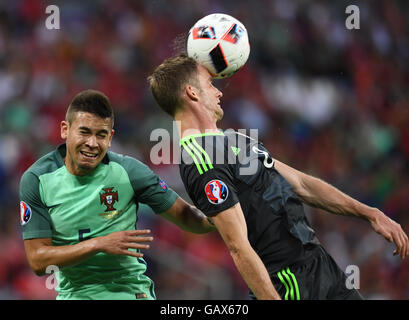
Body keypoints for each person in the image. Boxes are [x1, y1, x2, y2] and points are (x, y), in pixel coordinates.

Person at [147, 53, 409, 300]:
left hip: (321, 265)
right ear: (192, 92)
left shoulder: (233, 139)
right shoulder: (199, 159)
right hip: (288, 281)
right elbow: (238, 246)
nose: (219, 92)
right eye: (210, 84)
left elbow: (301, 184)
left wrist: (370, 213)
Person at [19, 89, 215, 300]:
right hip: (73, 295)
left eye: (101, 135)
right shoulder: (38, 179)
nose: (92, 143)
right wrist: (99, 244)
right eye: (84, 132)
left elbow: (190, 219)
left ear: (110, 137)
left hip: (128, 292)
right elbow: (38, 261)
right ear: (65, 130)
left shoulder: (129, 172)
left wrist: (226, 210)